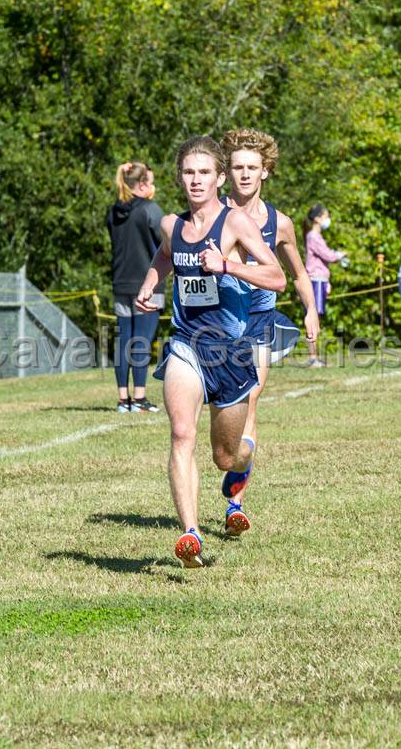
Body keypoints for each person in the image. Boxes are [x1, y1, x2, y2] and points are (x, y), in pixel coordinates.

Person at [135, 135, 285, 568]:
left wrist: (228, 265)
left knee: (225, 456)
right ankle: (191, 535)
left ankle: (245, 460)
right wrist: (151, 283)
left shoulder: (235, 224)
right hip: (187, 343)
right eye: (188, 172)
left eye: (204, 172)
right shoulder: (171, 225)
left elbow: (275, 277)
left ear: (220, 178)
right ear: (179, 178)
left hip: (232, 352)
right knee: (182, 433)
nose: (195, 181)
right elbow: (165, 257)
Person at [218, 127, 319, 538]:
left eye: (252, 167)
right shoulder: (210, 215)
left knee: (251, 397)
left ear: (266, 172)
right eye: (238, 167)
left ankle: (234, 504)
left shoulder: (281, 224)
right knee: (222, 417)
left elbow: (298, 273)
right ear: (228, 171)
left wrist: (311, 309)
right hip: (218, 322)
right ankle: (233, 461)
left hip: (260, 319)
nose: (244, 174)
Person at [106, 162, 164, 413]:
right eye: (150, 182)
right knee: (141, 341)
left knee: (124, 341)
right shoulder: (151, 210)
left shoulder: (112, 212)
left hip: (120, 282)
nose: (153, 187)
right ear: (141, 185)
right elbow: (167, 244)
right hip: (147, 285)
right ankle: (139, 399)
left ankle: (123, 400)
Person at [303, 205, 346, 367]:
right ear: (317, 219)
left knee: (316, 318)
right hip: (315, 281)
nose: (328, 220)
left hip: (321, 280)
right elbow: (327, 255)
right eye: (325, 216)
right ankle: (313, 357)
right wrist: (339, 255)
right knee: (313, 317)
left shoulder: (316, 236)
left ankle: (315, 356)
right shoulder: (313, 236)